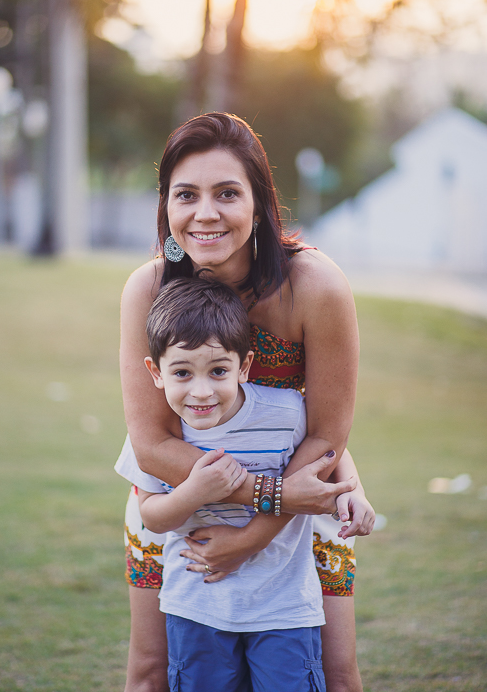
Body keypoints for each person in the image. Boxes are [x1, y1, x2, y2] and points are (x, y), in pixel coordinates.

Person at [118, 112, 375, 692]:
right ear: (166, 207)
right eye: (186, 195)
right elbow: (153, 444)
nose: (205, 214)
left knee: (333, 674)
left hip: (304, 497)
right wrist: (269, 493)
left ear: (259, 203)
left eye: (227, 193)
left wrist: (264, 526)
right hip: (180, 513)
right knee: (152, 672)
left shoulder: (315, 285)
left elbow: (329, 432)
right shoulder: (150, 289)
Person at [116, 275, 327, 691]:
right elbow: (152, 517)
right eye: (181, 372)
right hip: (197, 604)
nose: (201, 392)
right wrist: (194, 491)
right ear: (155, 372)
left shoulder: (286, 413)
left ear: (244, 366)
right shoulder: (160, 434)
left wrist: (352, 489)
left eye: (218, 371)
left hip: (284, 605)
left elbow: (329, 450)